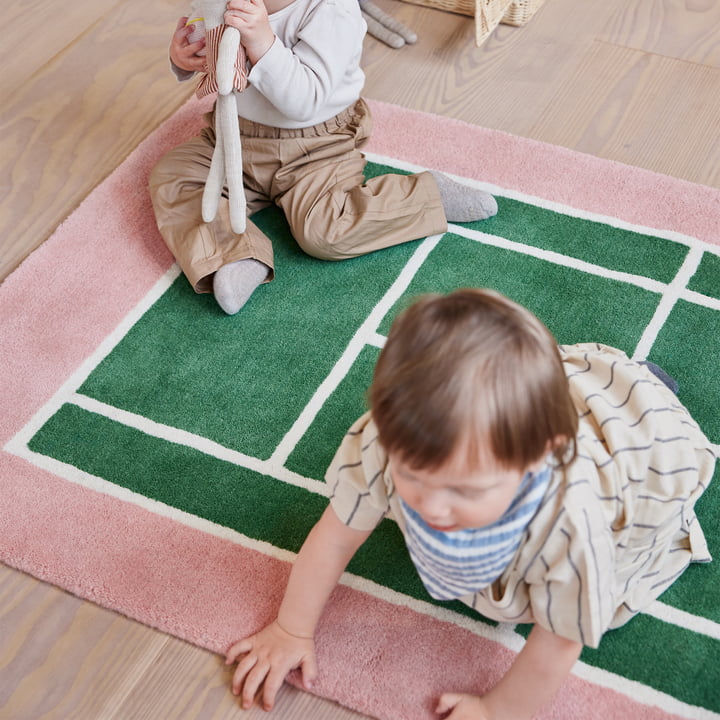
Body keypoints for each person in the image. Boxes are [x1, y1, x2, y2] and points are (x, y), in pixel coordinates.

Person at [224, 288, 715, 719]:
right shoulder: (386, 441)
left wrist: (497, 710)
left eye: (466, 490)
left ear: (538, 458)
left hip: (638, 457)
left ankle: (645, 386)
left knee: (613, 569)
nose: (433, 508)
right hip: (545, 412)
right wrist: (291, 629)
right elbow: (335, 535)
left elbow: (559, 638)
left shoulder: (571, 524)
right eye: (413, 476)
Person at [149, 0, 498, 315]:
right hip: (234, 135)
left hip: (315, 146)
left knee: (326, 232)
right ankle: (234, 255)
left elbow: (304, 102)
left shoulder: (332, 10)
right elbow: (209, 45)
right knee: (173, 176)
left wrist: (262, 43)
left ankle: (424, 196)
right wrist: (182, 58)